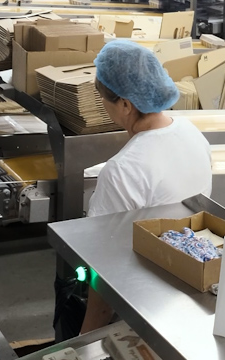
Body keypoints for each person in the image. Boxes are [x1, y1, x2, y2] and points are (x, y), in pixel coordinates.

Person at [75, 38, 213, 333]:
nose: (102, 104)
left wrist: (84, 338)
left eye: (103, 97)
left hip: (140, 303)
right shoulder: (191, 133)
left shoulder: (123, 170)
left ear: (125, 104)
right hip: (190, 285)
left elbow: (104, 266)